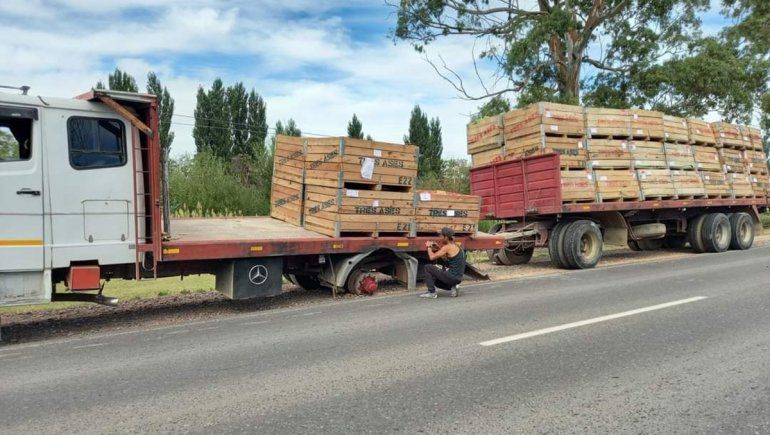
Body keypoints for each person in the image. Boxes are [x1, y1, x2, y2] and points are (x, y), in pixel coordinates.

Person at [420, 227, 466, 299]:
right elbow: (445, 259)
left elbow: (431, 257)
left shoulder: (447, 247)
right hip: (457, 278)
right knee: (435, 280)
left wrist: (428, 247)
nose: (440, 238)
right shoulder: (456, 246)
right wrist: (438, 248)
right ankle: (453, 287)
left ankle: (432, 293)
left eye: (441, 236)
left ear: (446, 237)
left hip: (452, 276)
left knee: (427, 267)